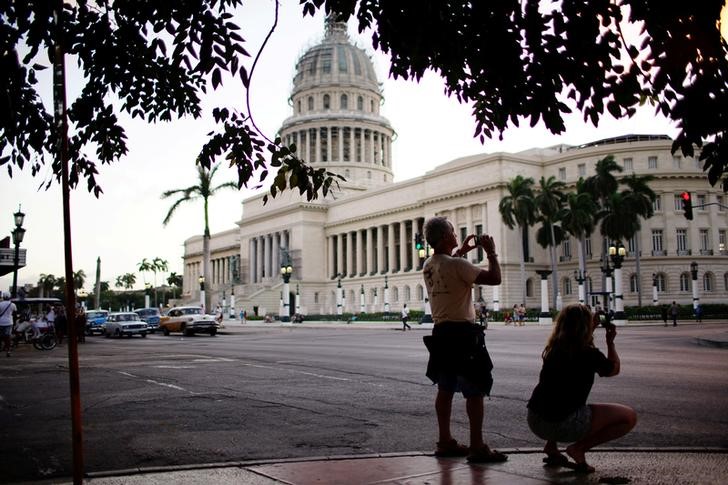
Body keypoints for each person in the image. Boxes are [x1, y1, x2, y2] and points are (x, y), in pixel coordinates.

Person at [421, 216, 506, 463]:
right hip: (463, 334)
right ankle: (477, 446)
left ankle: (445, 440)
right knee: (475, 388)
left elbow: (448, 265)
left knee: (445, 388)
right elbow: (494, 278)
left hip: (441, 333)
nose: (457, 236)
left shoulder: (428, 264)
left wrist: (463, 251)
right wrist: (491, 253)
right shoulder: (458, 266)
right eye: (454, 233)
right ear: (446, 237)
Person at [527, 304, 637, 474]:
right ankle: (579, 449)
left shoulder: (554, 348)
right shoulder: (589, 354)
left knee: (556, 396)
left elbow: (575, 342)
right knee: (628, 416)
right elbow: (613, 370)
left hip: (535, 420)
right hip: (563, 424)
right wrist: (610, 343)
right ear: (585, 326)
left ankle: (551, 447)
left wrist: (589, 330)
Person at [0, 292, 17, 357]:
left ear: (3, 297)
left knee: (1, 336)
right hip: (9, 322)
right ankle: (8, 351)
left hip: (0, 322)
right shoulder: (13, 305)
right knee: (7, 337)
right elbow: (15, 315)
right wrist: (15, 323)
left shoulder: (0, 304)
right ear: (9, 296)